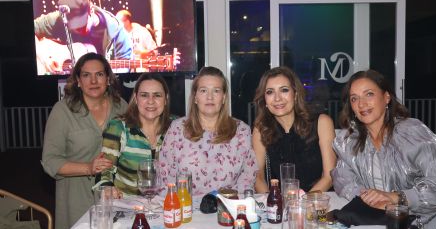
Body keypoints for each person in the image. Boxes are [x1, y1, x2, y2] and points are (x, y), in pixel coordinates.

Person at [331, 69, 436, 228]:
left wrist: (395, 198)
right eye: (354, 98)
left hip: (430, 223)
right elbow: (342, 180)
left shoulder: (412, 133)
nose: (361, 104)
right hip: (385, 221)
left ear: (386, 97)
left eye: (369, 94)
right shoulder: (350, 140)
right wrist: (371, 198)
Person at [41, 52, 128, 229]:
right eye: (86, 75)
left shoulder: (122, 107)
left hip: (117, 197)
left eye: (99, 74)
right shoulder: (62, 111)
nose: (93, 81)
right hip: (77, 199)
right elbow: (50, 161)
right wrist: (88, 168)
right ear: (78, 81)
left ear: (108, 79)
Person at [159, 66, 258, 196]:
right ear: (195, 97)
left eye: (216, 91)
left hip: (228, 209)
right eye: (203, 90)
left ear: (223, 98)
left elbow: (248, 177)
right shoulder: (177, 129)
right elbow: (165, 178)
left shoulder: (241, 131)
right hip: (186, 210)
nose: (210, 97)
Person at [252, 66, 337, 193]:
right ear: (264, 99)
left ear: (295, 94)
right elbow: (258, 178)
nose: (277, 98)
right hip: (279, 205)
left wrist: (303, 205)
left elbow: (329, 176)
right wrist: (271, 203)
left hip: (318, 202)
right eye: (270, 92)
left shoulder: (322, 123)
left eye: (284, 90)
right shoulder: (261, 128)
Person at [96, 73, 172, 195]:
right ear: (136, 99)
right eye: (144, 95)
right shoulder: (119, 127)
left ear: (166, 99)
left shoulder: (175, 129)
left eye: (157, 95)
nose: (151, 101)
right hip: (127, 207)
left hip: (165, 206)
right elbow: (105, 168)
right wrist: (107, 186)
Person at [34, 0, 132, 74]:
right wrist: (44, 57)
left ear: (91, 11)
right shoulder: (59, 19)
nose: (77, 30)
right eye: (73, 27)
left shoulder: (115, 29)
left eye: (81, 26)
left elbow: (125, 64)